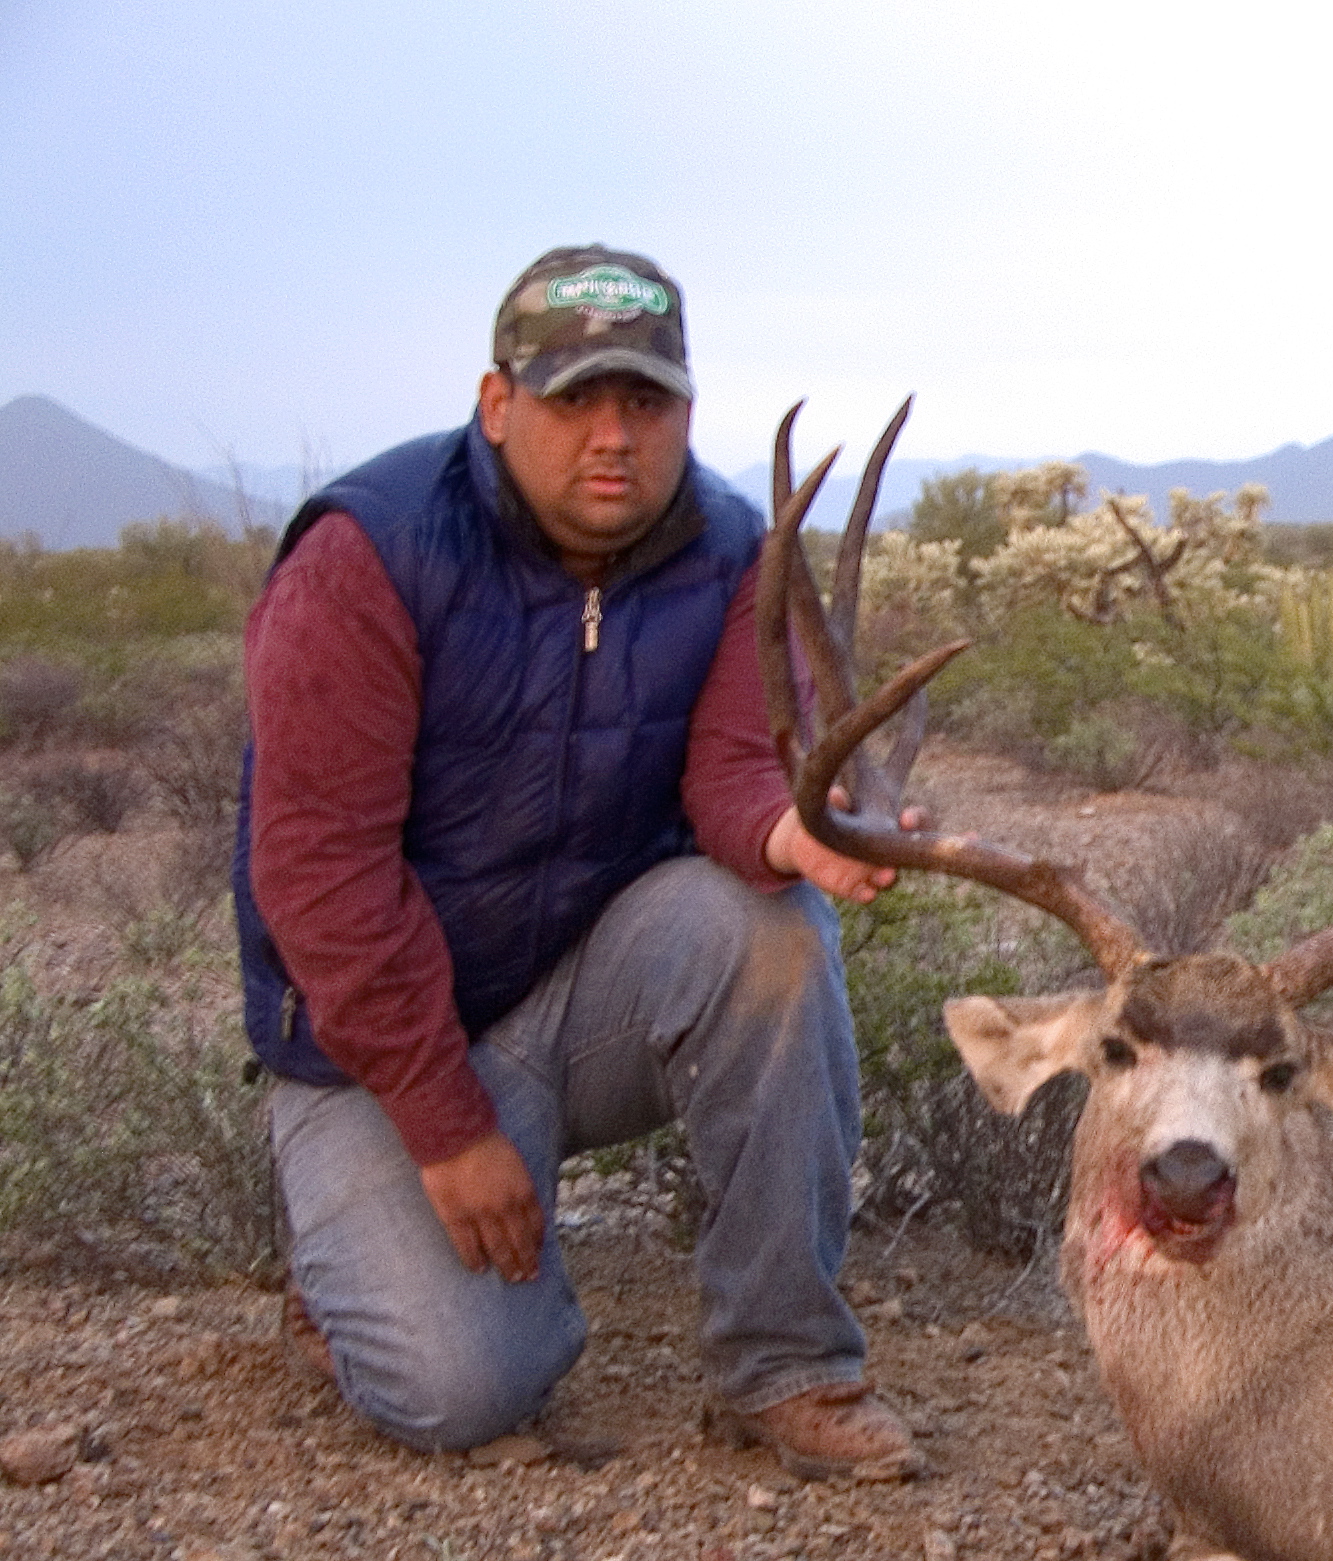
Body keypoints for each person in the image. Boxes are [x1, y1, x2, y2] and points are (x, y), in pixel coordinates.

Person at [234, 244, 925, 1475]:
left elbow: (729, 775)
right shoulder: (370, 554)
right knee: (464, 1387)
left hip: (572, 994)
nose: (613, 436)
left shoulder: (727, 551)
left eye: (645, 401)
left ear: (686, 412)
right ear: (498, 406)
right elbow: (320, 880)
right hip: (369, 1044)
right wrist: (449, 1132)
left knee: (771, 934)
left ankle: (785, 1368)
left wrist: (792, 833)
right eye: (573, 400)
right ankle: (342, 1279)